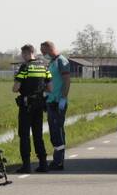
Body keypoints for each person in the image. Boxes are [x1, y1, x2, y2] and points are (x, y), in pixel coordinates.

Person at [11, 44, 52, 174]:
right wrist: (39, 91)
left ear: (27, 53)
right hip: (39, 104)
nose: (22, 57)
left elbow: (15, 88)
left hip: (26, 105)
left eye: (23, 54)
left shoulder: (25, 67)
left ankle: (26, 165)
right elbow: (50, 88)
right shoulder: (44, 66)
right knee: (38, 135)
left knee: (24, 135)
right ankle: (43, 164)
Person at [40, 40, 72, 171]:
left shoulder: (61, 61)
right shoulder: (52, 61)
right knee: (55, 131)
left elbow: (67, 81)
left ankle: (58, 161)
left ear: (49, 48)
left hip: (57, 102)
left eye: (43, 51)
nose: (43, 54)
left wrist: (63, 98)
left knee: (56, 131)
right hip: (51, 100)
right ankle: (58, 160)